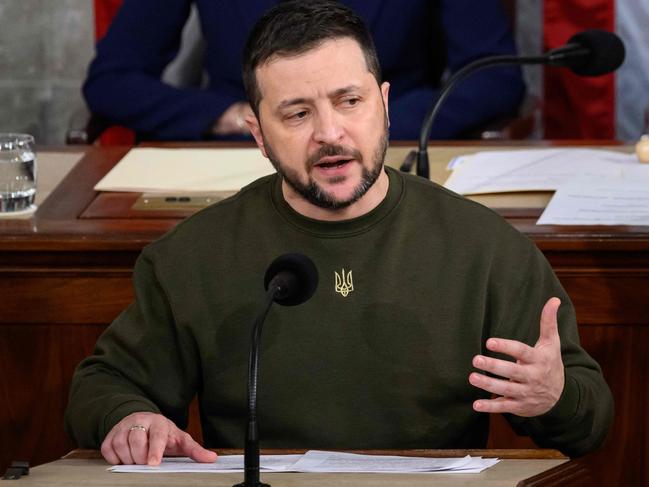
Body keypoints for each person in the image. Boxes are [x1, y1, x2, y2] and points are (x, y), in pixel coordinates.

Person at [65, 0, 612, 466]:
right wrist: (130, 417)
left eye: (350, 102)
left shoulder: (485, 250)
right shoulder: (192, 255)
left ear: (386, 105)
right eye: (297, 114)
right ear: (258, 133)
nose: (331, 134)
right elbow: (102, 384)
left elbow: (590, 421)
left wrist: (553, 395)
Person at [83, 0, 525, 141]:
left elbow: (495, 77)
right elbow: (112, 80)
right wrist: (235, 116)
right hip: (243, 157)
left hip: (392, 152)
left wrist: (365, 117)